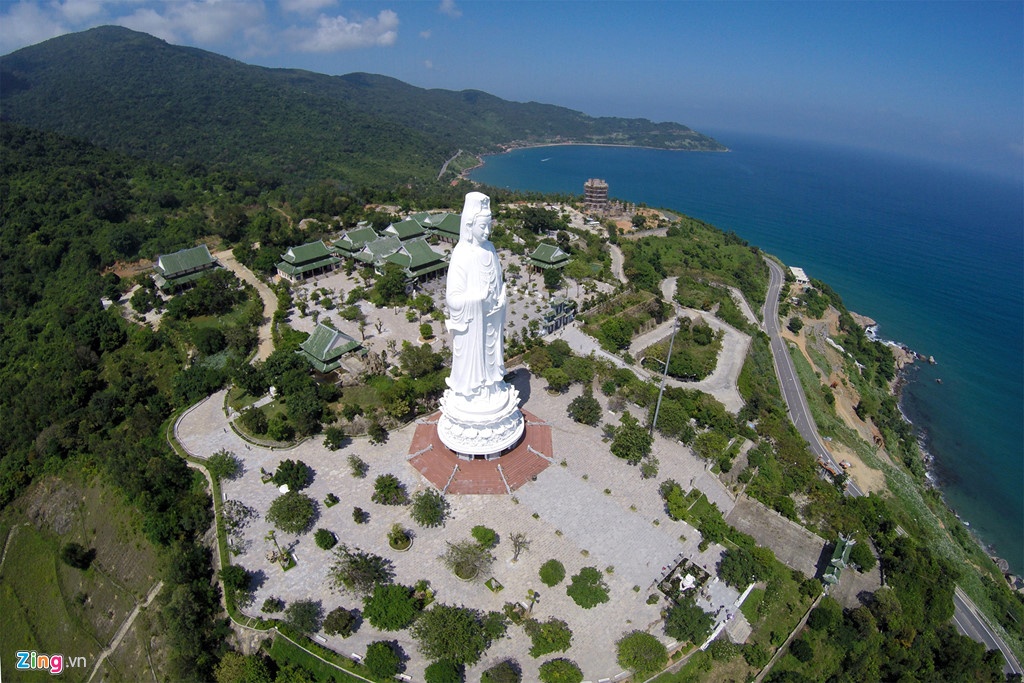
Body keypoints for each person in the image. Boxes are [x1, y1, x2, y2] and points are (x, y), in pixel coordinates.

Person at [445, 192, 507, 397]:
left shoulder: (490, 249)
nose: (488, 231)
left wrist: (501, 298)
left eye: (490, 225)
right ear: (469, 226)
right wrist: (476, 299)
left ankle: (492, 386)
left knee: (493, 358)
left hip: (491, 321)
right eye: (483, 226)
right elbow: (452, 298)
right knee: (472, 364)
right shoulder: (461, 254)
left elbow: (499, 283)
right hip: (472, 325)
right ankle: (472, 392)